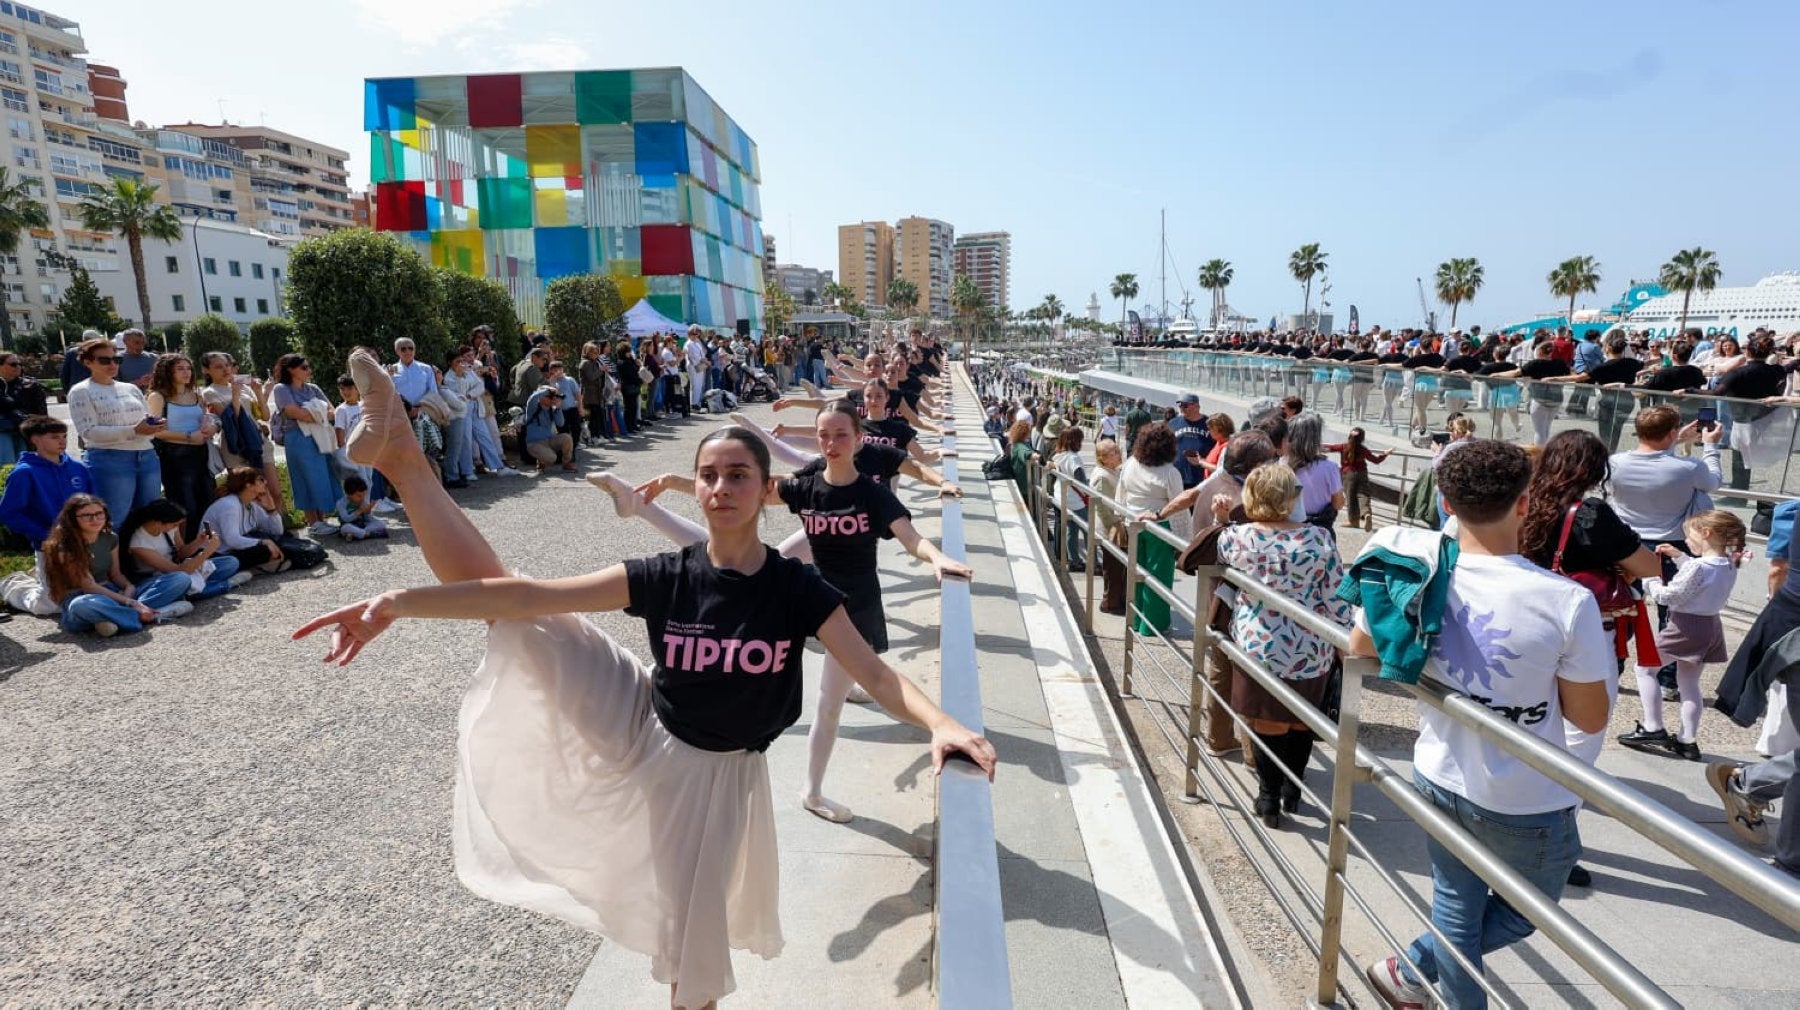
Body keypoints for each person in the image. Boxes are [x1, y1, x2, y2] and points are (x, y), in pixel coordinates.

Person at [294, 355, 993, 1009]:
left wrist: (944, 724)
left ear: (764, 492)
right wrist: (394, 603)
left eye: (737, 476)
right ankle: (406, 461)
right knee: (516, 611)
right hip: (643, 712)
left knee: (694, 945)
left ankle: (402, 458)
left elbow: (871, 670)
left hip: (712, 776)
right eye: (709, 475)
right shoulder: (669, 574)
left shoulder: (795, 588)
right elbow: (530, 595)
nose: (721, 489)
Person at [1354, 440, 1612, 1009]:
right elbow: (1591, 717)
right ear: (1525, 504)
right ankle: (1411, 970)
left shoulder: (1415, 573)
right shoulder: (1565, 601)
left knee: (1455, 905)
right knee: (1526, 915)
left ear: (1445, 502)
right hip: (1528, 795)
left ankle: (1409, 970)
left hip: (1440, 769)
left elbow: (1360, 649)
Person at [637, 400, 973, 823]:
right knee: (731, 636)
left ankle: (812, 792)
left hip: (851, 611)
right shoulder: (808, 487)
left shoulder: (872, 493)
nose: (831, 444)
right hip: (806, 598)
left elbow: (909, 537)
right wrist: (671, 482)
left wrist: (937, 559)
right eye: (824, 436)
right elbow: (748, 490)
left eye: (841, 435)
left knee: (828, 705)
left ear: (860, 439)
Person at [1517, 429, 1662, 888]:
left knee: (1530, 724)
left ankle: (1515, 825)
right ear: (1595, 470)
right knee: (1581, 739)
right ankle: (1551, 844)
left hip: (1528, 623)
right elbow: (1646, 566)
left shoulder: (1523, 501)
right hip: (1583, 630)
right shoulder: (1589, 512)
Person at [1217, 462, 1349, 828]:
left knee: (1265, 722)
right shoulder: (1319, 539)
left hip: (1259, 646)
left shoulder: (1239, 538)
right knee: (1301, 721)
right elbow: (1336, 596)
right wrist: (1344, 642)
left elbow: (1218, 547)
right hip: (1311, 647)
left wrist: (1226, 517)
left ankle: (1268, 795)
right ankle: (1293, 789)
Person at [1618, 510, 1746, 760]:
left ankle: (1653, 726)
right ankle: (1687, 740)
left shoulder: (1698, 567)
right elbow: (1701, 576)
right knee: (1689, 684)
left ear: (1706, 533)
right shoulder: (1730, 563)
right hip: (1710, 626)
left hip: (1684, 627)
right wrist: (1680, 557)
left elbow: (1669, 595)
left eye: (1689, 536)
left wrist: (1650, 580)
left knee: (1645, 669)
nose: (1686, 541)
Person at [42, 494, 193, 636]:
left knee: (180, 578)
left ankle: (115, 618)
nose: (94, 519)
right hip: (86, 597)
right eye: (86, 515)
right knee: (81, 605)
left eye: (99, 513)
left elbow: (115, 574)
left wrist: (128, 587)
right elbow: (89, 586)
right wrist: (131, 602)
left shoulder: (110, 538)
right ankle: (151, 614)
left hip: (112, 592)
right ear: (73, 519)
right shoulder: (65, 546)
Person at [67, 337, 164, 526]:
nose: (112, 364)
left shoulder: (131, 388)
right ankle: (111, 556)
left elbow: (145, 421)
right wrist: (134, 430)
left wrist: (155, 425)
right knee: (114, 519)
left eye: (116, 359)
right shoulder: (81, 391)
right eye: (104, 360)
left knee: (150, 517)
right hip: (110, 459)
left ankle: (141, 556)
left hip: (146, 455)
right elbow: (89, 431)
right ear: (88, 362)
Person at [199, 351, 292, 517]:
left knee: (273, 490)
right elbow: (228, 420)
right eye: (219, 367)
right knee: (246, 493)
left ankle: (280, 527)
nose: (226, 369)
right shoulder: (209, 392)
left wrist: (259, 392)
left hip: (257, 441)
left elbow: (264, 415)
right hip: (234, 446)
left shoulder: (244, 388)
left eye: (227, 365)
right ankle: (254, 529)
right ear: (206, 370)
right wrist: (235, 396)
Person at [1120, 422, 1185, 635]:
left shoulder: (1131, 463)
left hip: (1133, 521)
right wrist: (1184, 538)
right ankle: (1152, 625)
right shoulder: (1170, 472)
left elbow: (1121, 492)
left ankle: (1136, 618)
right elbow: (1178, 505)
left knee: (1137, 572)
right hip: (1160, 526)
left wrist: (1122, 516)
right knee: (1158, 576)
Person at [144, 353, 218, 540]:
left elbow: (205, 418)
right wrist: (187, 437)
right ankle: (184, 548)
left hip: (201, 453)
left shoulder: (196, 395)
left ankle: (205, 546)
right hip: (175, 456)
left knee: (207, 500)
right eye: (180, 368)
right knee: (185, 506)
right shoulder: (158, 397)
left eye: (188, 368)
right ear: (167, 371)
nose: (186, 373)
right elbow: (154, 431)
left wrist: (210, 426)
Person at [119, 498, 249, 600]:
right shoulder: (138, 543)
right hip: (159, 578)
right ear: (159, 523)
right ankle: (225, 585)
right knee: (182, 580)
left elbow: (181, 552)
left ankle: (198, 588)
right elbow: (178, 571)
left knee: (231, 562)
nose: (176, 527)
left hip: (178, 569)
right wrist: (207, 551)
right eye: (175, 524)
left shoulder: (168, 528)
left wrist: (199, 541)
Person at [269, 353, 339, 537]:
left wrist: (312, 412)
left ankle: (322, 519)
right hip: (298, 438)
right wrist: (317, 412)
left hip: (320, 437)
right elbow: (294, 413)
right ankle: (313, 522)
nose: (309, 371)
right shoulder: (281, 389)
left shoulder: (313, 388)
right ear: (291, 369)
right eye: (304, 367)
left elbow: (332, 411)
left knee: (323, 476)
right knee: (304, 477)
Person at [0, 415, 93, 552]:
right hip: (49, 547)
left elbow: (93, 501)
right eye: (55, 437)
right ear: (35, 440)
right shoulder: (24, 473)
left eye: (64, 436)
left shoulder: (78, 467)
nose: (62, 441)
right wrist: (46, 535)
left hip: (84, 541)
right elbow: (9, 513)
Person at [202, 466, 295, 573]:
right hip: (217, 554)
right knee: (263, 549)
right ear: (249, 485)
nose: (264, 482)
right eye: (260, 480)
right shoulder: (229, 506)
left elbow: (276, 532)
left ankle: (267, 564)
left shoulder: (250, 504)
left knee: (283, 537)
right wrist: (263, 542)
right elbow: (232, 540)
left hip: (233, 548)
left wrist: (271, 510)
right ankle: (261, 566)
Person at [1285, 412, 1345, 532]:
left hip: (1288, 526)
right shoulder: (1329, 468)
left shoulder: (1281, 465)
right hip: (1320, 528)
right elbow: (1338, 504)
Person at [1324, 427, 1389, 530]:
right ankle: (1366, 514)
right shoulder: (1364, 450)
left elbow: (1329, 448)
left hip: (1348, 475)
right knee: (1363, 495)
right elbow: (1376, 460)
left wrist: (1315, 445)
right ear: (1362, 439)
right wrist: (1385, 454)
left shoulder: (1344, 447)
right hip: (1362, 473)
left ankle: (1354, 521)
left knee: (1351, 498)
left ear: (1350, 436)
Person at [1091, 437, 1127, 615]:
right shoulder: (1102, 476)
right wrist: (1115, 526)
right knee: (1113, 568)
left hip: (1114, 527)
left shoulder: (1111, 471)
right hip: (1110, 529)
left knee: (1117, 567)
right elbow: (1102, 507)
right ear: (1103, 457)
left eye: (1118, 450)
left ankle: (1116, 600)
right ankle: (1110, 602)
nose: (1119, 454)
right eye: (1114, 452)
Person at [439, 346, 484, 489]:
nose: (461, 364)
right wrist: (464, 397)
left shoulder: (467, 372)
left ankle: (455, 474)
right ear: (450, 363)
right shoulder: (449, 377)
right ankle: (452, 475)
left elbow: (480, 385)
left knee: (460, 444)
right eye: (458, 361)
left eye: (461, 360)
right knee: (455, 445)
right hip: (455, 415)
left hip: (464, 410)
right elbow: (456, 397)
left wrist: (469, 396)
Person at [1050, 427, 1090, 571]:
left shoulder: (1058, 456)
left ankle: (1074, 561)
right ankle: (1094, 563)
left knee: (1071, 531)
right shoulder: (1074, 458)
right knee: (1089, 531)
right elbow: (1081, 482)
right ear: (1075, 441)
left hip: (1061, 497)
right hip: (1075, 501)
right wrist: (1090, 494)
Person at [0, 351, 50, 465]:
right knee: (7, 465)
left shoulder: (30, 385)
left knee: (24, 465)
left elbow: (42, 414)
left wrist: (26, 417)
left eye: (19, 364)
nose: (18, 367)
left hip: (26, 431)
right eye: (13, 364)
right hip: (4, 431)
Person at [521, 385, 576, 472]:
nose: (553, 399)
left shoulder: (552, 409)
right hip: (534, 443)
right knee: (552, 458)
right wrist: (549, 390)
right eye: (550, 397)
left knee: (567, 438)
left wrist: (558, 408)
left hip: (549, 441)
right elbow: (533, 397)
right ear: (541, 396)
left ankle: (566, 463)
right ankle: (541, 460)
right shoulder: (533, 406)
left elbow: (560, 423)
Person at [1169, 393, 1214, 489]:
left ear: (1197, 407)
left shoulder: (1210, 424)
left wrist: (1204, 461)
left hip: (1200, 478)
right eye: (1180, 405)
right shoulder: (1173, 423)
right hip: (1176, 476)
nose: (1182, 408)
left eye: (1185, 405)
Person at [334, 474, 390, 541]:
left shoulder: (362, 501)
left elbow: (366, 519)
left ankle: (356, 534)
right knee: (345, 528)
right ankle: (369, 534)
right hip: (349, 525)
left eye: (364, 495)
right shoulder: (341, 503)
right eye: (359, 496)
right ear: (348, 494)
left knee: (381, 524)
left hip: (362, 526)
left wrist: (368, 511)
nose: (362, 498)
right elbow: (346, 519)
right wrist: (359, 511)